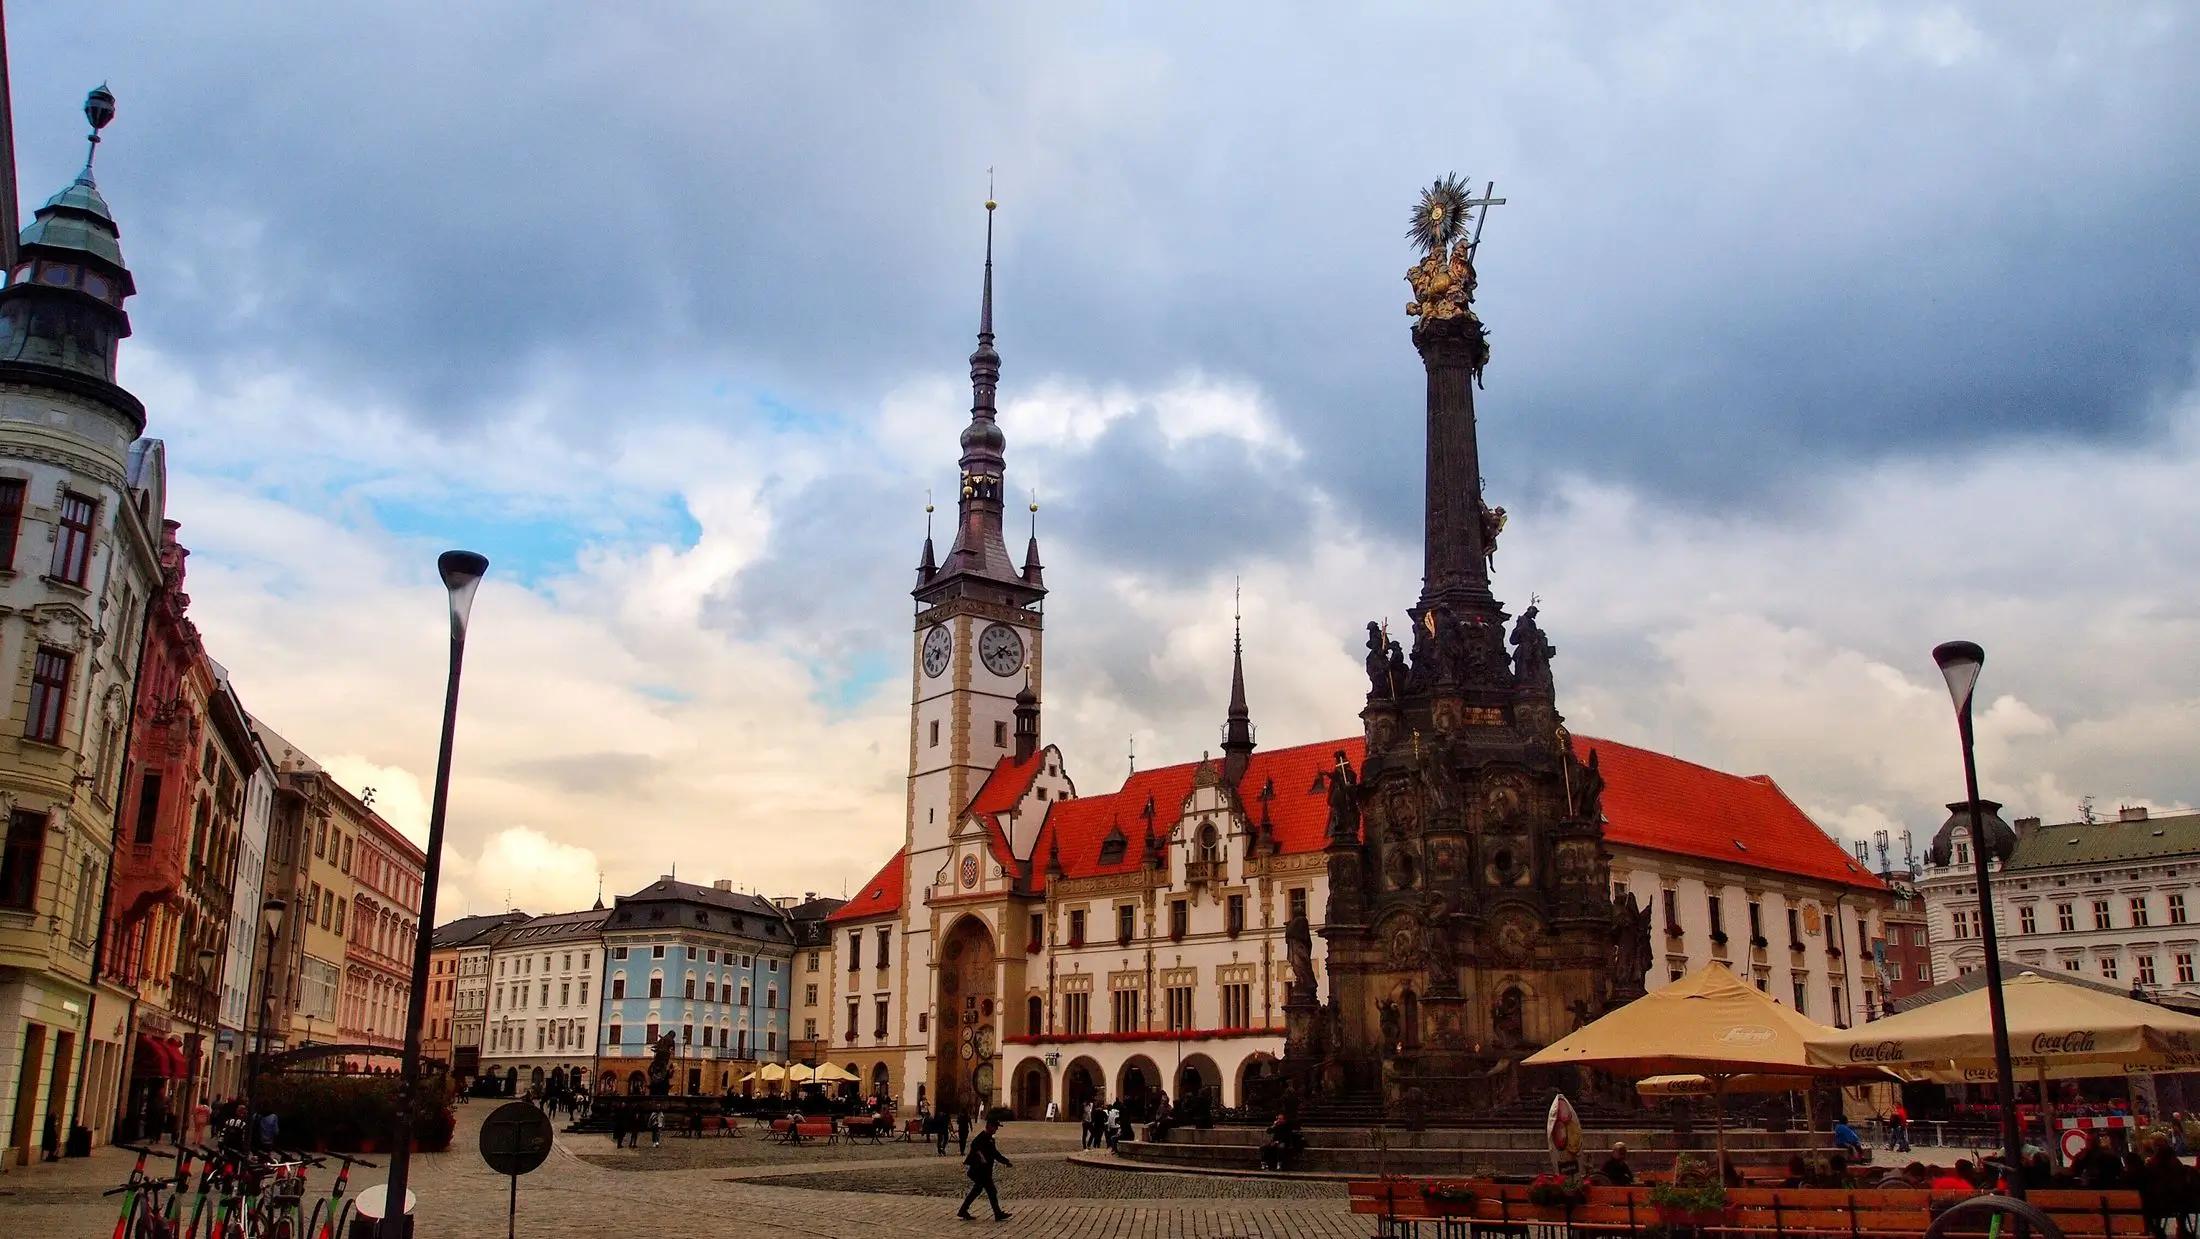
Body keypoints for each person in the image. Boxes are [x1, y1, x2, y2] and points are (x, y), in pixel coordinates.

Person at [958, 1113, 1013, 1222]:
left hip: (984, 1171)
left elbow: (995, 1154)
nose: (996, 1129)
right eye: (995, 1127)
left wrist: (1005, 1161)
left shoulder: (991, 1139)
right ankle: (997, 1214)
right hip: (978, 1171)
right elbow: (974, 1146)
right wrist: (981, 1156)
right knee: (991, 1191)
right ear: (990, 1126)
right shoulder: (982, 1137)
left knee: (978, 1190)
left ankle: (963, 1210)